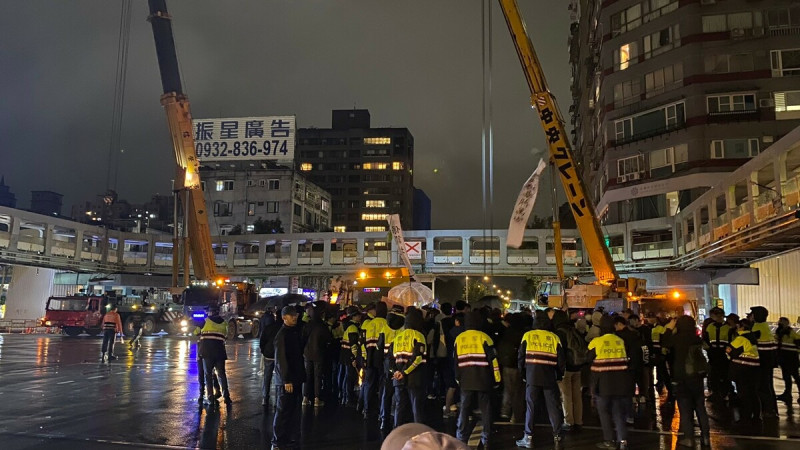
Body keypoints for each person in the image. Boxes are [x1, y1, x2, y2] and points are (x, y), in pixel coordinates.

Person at [516, 310, 565, 448]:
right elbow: (561, 361)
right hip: (549, 377)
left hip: (532, 377)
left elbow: (520, 357)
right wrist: (560, 375)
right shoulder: (554, 337)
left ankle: (528, 437)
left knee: (531, 407)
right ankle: (557, 435)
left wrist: (523, 374)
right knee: (553, 407)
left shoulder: (528, 336)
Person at [588, 315, 637, 450]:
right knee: (618, 413)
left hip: (603, 384)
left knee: (604, 413)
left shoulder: (596, 342)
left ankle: (609, 441)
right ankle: (623, 441)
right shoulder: (620, 341)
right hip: (621, 383)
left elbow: (588, 358)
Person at [661, 316, 711, 448]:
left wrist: (669, 329)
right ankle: (706, 437)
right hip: (697, 377)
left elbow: (664, 342)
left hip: (682, 377)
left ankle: (689, 438)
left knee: (685, 409)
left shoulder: (677, 338)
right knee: (700, 407)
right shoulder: (696, 338)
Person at [455, 311, 500, 448]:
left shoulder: (459, 338)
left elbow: (455, 361)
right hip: (483, 379)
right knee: (486, 409)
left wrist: (458, 378)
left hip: (465, 379)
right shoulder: (485, 337)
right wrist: (497, 379)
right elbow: (494, 360)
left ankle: (461, 437)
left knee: (464, 408)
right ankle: (486, 439)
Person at [273, 306, 306, 450]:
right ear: (284, 317)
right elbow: (281, 360)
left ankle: (288, 438)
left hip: (296, 378)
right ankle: (278, 441)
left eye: (296, 315)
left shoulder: (293, 332)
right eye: (292, 315)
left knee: (293, 411)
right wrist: (286, 380)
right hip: (287, 381)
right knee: (283, 411)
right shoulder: (282, 335)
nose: (295, 317)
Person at [390, 308, 427, 428]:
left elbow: (390, 358)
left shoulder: (397, 337)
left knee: (399, 407)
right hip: (414, 378)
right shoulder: (419, 335)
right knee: (416, 408)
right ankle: (419, 434)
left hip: (398, 378)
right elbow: (418, 358)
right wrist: (404, 372)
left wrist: (396, 372)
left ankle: (396, 432)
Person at [556, 309, 587, 431]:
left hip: (566, 369)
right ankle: (578, 420)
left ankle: (569, 422)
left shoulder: (559, 332)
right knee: (577, 396)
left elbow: (560, 353)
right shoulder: (573, 330)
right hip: (577, 367)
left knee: (566, 396)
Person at [727, 319, 760, 424]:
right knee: (753, 392)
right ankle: (756, 415)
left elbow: (729, 350)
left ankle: (745, 417)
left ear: (742, 327)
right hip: (753, 368)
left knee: (744, 393)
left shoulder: (741, 339)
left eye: (738, 326)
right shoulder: (752, 337)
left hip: (742, 368)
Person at [302, 303, 333, 407]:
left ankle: (305, 398)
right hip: (319, 353)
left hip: (307, 353)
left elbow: (303, 337)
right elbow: (329, 339)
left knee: (307, 376)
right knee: (318, 376)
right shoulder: (323, 326)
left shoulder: (308, 324)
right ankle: (317, 398)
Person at [199, 306, 231, 406]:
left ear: (210, 313)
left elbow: (195, 332)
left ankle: (210, 398)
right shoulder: (225, 323)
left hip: (207, 353)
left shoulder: (205, 321)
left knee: (208, 375)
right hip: (220, 352)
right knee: (222, 374)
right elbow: (226, 336)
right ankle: (227, 397)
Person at [750, 306, 778, 417]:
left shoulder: (757, 327)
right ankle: (772, 409)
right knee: (768, 386)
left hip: (762, 362)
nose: (751, 316)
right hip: (769, 361)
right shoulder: (766, 327)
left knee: (763, 386)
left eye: (752, 314)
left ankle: (768, 410)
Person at [497, 313, 525, 423]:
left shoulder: (506, 332)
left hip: (507, 364)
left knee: (508, 389)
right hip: (518, 365)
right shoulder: (523, 334)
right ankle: (516, 415)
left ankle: (505, 411)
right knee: (518, 392)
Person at [364, 302, 389, 419]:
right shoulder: (386, 323)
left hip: (370, 357)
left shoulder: (370, 324)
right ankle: (381, 411)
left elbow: (367, 343)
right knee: (382, 386)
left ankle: (367, 410)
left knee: (369, 385)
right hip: (382, 359)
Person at [703, 307, 733, 401]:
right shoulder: (710, 327)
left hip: (724, 355)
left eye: (720, 315)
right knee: (714, 375)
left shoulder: (728, 328)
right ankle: (716, 393)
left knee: (724, 375)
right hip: (713, 354)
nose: (718, 317)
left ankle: (725, 393)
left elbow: (732, 341)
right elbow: (705, 339)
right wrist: (708, 350)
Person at [340, 307, 363, 406]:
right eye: (358, 316)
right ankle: (349, 397)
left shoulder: (347, 325)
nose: (360, 317)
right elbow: (354, 344)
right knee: (349, 377)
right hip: (349, 355)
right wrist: (354, 358)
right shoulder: (353, 328)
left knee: (346, 376)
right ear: (354, 316)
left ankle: (345, 396)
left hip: (344, 354)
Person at [259, 310, 282, 407]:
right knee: (279, 377)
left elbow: (262, 341)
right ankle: (278, 399)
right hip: (279, 355)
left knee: (267, 377)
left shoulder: (268, 327)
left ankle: (265, 397)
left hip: (268, 354)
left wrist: (264, 351)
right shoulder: (283, 328)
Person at [775, 317, 800, 404]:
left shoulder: (790, 332)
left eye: (781, 322)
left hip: (791, 357)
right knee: (786, 376)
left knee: (795, 376)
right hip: (784, 357)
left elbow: (798, 341)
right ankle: (787, 394)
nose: (779, 323)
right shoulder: (779, 332)